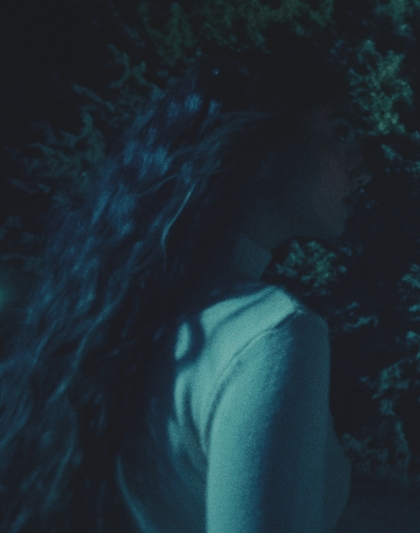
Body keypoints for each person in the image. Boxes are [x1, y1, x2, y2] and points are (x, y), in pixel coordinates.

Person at [0, 50, 366, 533]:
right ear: (262, 150)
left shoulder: (125, 318)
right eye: (341, 133)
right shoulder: (273, 334)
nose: (361, 166)